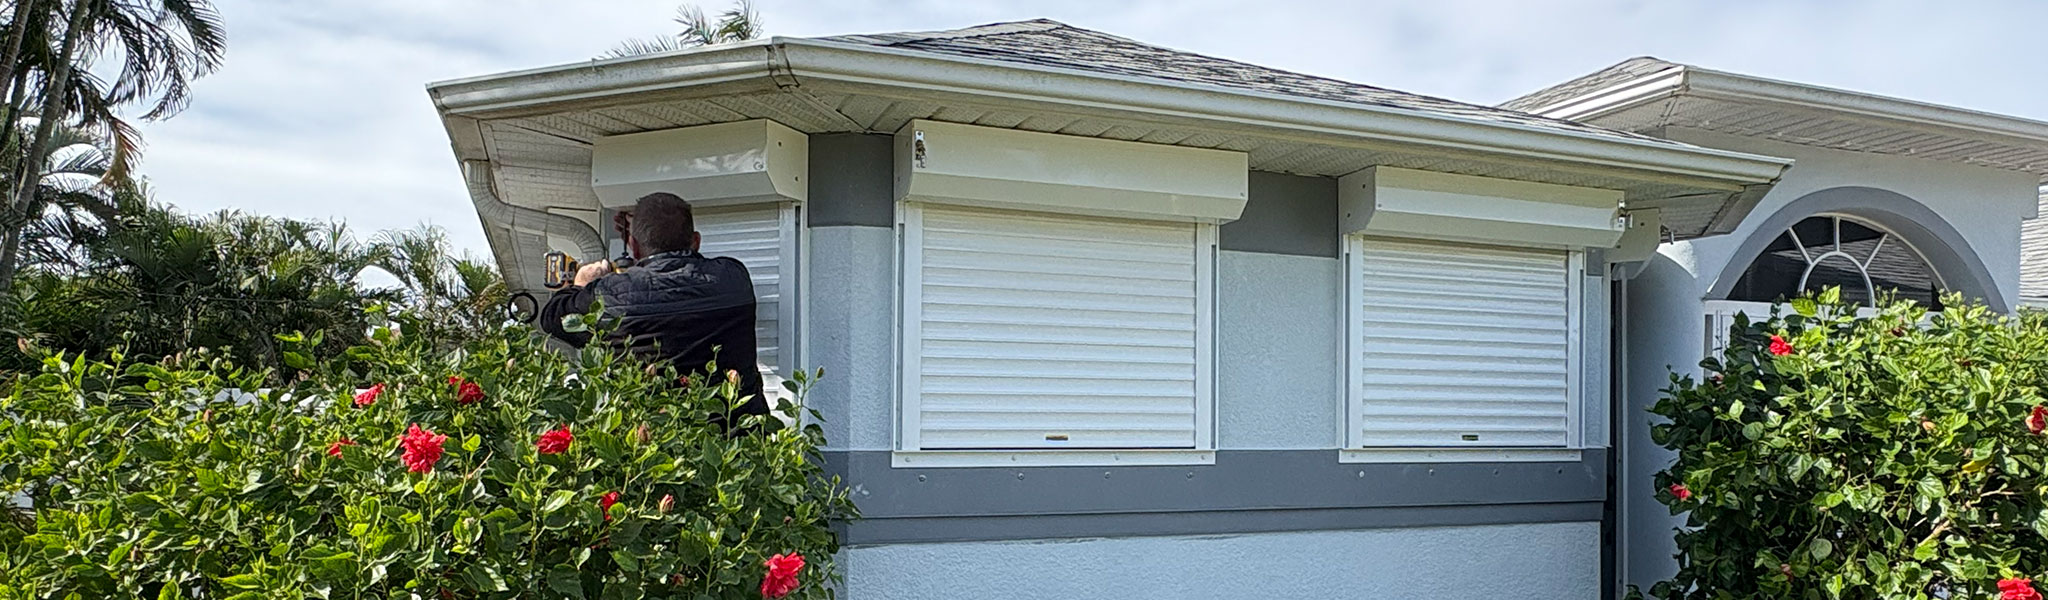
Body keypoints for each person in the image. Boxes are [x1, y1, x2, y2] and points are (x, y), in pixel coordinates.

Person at [538, 192, 768, 429]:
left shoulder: (611, 295)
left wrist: (581, 284)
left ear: (634, 247)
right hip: (738, 435)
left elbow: (554, 319)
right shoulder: (733, 276)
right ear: (696, 241)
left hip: (656, 439)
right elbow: (682, 284)